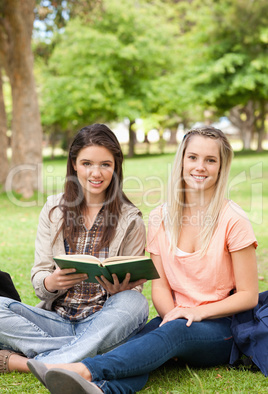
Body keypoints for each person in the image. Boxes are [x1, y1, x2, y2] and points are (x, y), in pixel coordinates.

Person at [27, 126, 259, 393]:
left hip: (222, 326)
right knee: (138, 349)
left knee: (173, 333)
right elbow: (159, 286)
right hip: (173, 319)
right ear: (182, 160)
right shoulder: (161, 216)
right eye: (193, 157)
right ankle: (100, 389)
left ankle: (83, 369)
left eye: (211, 160)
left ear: (221, 166)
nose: (200, 167)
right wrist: (171, 316)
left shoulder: (233, 218)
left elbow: (248, 295)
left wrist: (193, 313)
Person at [0, 123, 149, 374]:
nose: (96, 172)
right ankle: (81, 354)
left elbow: (134, 289)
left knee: (136, 303)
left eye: (106, 164)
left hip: (103, 320)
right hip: (55, 321)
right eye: (87, 163)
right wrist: (53, 281)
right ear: (74, 165)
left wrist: (118, 290)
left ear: (116, 167)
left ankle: (49, 362)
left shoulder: (131, 219)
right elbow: (39, 278)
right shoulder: (53, 209)